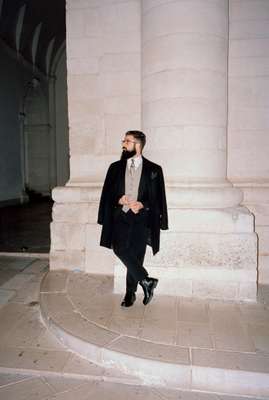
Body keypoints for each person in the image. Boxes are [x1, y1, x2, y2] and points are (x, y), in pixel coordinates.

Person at [97, 130, 168, 307]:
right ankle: (146, 281)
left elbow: (158, 198)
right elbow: (107, 193)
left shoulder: (154, 169)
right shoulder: (115, 167)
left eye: (127, 141)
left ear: (138, 145)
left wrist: (143, 204)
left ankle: (130, 294)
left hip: (142, 218)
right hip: (120, 215)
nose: (123, 143)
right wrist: (119, 198)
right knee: (120, 249)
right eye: (124, 140)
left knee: (136, 255)